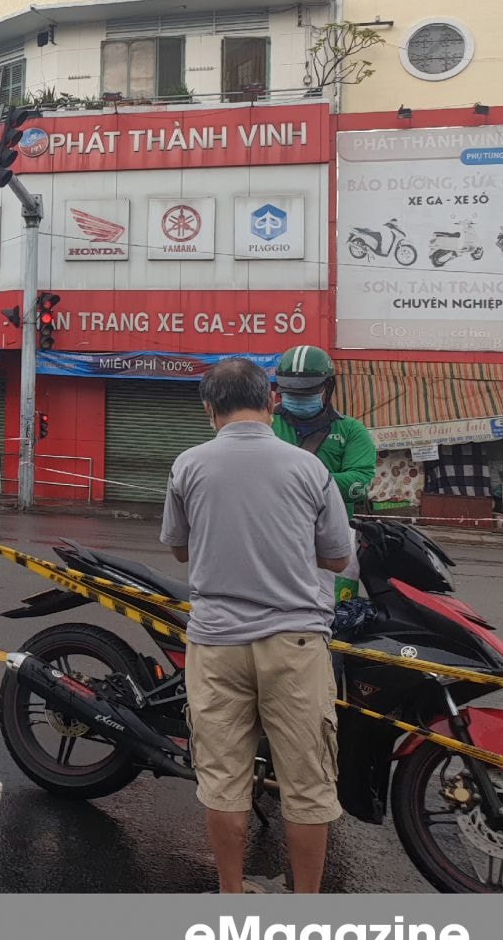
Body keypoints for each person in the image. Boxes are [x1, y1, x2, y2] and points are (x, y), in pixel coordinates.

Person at [160, 357, 354, 895]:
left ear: (209, 410)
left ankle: (230, 893)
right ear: (271, 399)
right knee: (307, 782)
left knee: (223, 779)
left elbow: (179, 548)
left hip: (216, 642)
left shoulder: (188, 465)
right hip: (294, 645)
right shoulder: (308, 468)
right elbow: (337, 559)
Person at [271, 346, 377, 601]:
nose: (297, 397)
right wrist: (324, 480)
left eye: (307, 392)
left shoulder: (351, 430)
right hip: (273, 533)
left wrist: (290, 479)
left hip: (332, 537)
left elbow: (359, 485)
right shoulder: (266, 424)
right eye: (290, 392)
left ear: (328, 387)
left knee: (335, 613)